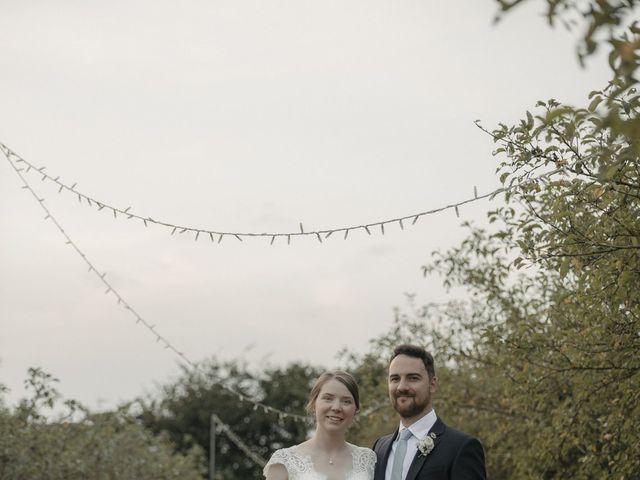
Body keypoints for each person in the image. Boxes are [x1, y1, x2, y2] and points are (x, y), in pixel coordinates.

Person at [372, 344, 486, 480]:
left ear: (432, 385)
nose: (402, 387)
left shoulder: (461, 447)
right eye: (395, 379)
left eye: (413, 378)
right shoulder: (379, 448)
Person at [264, 370, 376, 480]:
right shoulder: (284, 462)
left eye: (346, 401)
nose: (336, 407)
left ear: (356, 410)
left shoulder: (368, 460)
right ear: (313, 404)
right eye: (328, 398)